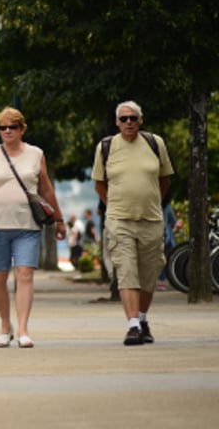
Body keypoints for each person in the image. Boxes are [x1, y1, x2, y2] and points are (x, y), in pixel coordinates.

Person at [0, 107, 65, 348]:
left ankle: (23, 330)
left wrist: (59, 220)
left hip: (27, 225)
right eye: (2, 127)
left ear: (22, 128)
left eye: (13, 127)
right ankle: (5, 325)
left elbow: (47, 189)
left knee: (24, 275)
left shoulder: (36, 154)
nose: (7, 131)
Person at [91, 101, 173, 346]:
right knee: (127, 272)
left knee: (148, 275)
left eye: (133, 118)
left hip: (151, 219)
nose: (128, 122)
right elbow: (99, 184)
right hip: (119, 221)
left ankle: (143, 320)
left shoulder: (155, 143)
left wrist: (153, 201)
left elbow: (165, 179)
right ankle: (133, 326)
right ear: (117, 122)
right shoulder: (106, 147)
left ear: (141, 120)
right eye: (124, 119)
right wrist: (113, 205)